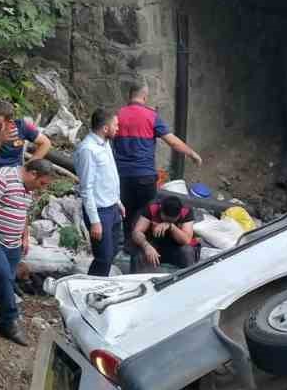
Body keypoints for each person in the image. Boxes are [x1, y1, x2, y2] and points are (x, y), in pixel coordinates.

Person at [0, 158, 54, 346]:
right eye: (41, 183)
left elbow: (22, 213)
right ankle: (9, 323)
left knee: (6, 276)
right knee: (3, 273)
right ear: (33, 173)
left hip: (12, 242)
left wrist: (25, 236)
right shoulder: (2, 178)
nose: (41, 188)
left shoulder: (28, 188)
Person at [113, 83, 201, 227]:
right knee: (147, 216)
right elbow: (173, 143)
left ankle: (128, 245)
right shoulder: (151, 116)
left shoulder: (117, 115)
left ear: (129, 96)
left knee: (126, 215)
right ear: (145, 97)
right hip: (145, 176)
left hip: (122, 176)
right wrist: (192, 154)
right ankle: (145, 245)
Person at [77, 107, 123, 276]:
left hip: (112, 207)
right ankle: (91, 288)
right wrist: (95, 221)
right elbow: (86, 188)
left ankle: (99, 285)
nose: (118, 128)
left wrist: (117, 201)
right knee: (103, 257)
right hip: (100, 211)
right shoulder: (87, 150)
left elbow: (109, 175)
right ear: (105, 128)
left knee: (112, 253)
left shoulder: (105, 143)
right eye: (115, 125)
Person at [129, 194, 198, 271]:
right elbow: (136, 232)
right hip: (154, 244)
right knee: (140, 254)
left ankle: (188, 277)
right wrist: (146, 246)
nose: (166, 222)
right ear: (160, 210)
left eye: (171, 220)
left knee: (187, 251)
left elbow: (187, 240)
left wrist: (171, 226)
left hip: (176, 247)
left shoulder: (186, 211)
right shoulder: (152, 208)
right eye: (165, 219)